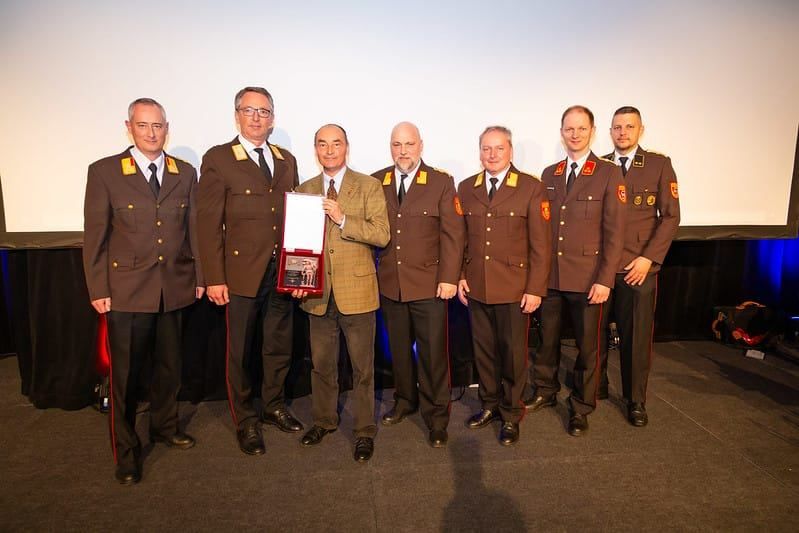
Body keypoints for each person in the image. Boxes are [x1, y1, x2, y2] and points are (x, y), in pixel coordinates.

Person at [83, 97, 204, 484]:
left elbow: (194, 230)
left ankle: (165, 427)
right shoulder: (104, 172)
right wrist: (98, 287)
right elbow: (95, 237)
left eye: (158, 126)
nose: (152, 133)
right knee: (126, 377)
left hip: (174, 288)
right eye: (144, 126)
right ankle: (128, 450)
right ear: (129, 127)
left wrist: (200, 276)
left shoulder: (184, 172)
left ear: (167, 129)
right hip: (127, 291)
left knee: (170, 367)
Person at [196, 87, 302, 456]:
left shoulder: (286, 159)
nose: (257, 118)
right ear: (237, 115)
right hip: (239, 273)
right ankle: (246, 420)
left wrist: (301, 268)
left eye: (264, 111)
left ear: (273, 118)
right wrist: (213, 277)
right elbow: (207, 223)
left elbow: (294, 218)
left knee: (278, 345)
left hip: (281, 272)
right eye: (249, 110)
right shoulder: (218, 159)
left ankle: (273, 405)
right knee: (240, 351)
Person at [527, 105, 626, 436]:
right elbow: (541, 229)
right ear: (561, 133)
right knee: (546, 342)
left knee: (588, 346)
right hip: (552, 276)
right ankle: (545, 390)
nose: (575, 134)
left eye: (581, 129)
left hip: (589, 279)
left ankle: (582, 405)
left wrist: (605, 279)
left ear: (593, 132)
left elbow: (615, 233)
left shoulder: (609, 173)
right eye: (569, 129)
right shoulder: (548, 174)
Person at [293, 124, 390, 462]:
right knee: (321, 365)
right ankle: (323, 421)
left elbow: (381, 235)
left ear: (347, 147)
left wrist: (343, 218)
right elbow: (299, 246)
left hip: (358, 291)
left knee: (363, 368)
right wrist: (296, 279)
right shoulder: (303, 190)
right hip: (317, 294)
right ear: (315, 149)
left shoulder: (368, 185)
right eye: (323, 144)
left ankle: (364, 431)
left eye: (336, 144)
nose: (330, 150)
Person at [370, 122, 466, 448]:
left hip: (429, 285)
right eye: (397, 144)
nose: (403, 151)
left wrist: (449, 278)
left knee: (433, 355)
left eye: (409, 144)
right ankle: (405, 400)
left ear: (420, 145)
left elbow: (453, 236)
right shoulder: (376, 181)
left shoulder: (440, 182)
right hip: (391, 286)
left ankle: (437, 417)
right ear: (390, 147)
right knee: (397, 350)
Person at [457, 126, 552, 446]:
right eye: (486, 149)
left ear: (510, 151)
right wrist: (460, 275)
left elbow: (541, 244)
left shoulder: (530, 187)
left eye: (498, 149)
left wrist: (535, 288)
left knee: (512, 355)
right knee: (483, 353)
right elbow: (462, 240)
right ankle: (489, 404)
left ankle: (511, 414)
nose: (492, 155)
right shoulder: (466, 187)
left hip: (515, 287)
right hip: (478, 286)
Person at [597, 106, 680, 426]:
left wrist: (648, 259)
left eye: (629, 127)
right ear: (610, 131)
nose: (622, 133)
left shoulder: (658, 165)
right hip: (602, 268)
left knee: (636, 338)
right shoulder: (599, 166)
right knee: (595, 335)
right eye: (617, 127)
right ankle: (596, 386)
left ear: (640, 130)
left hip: (639, 268)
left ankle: (635, 400)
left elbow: (671, 216)